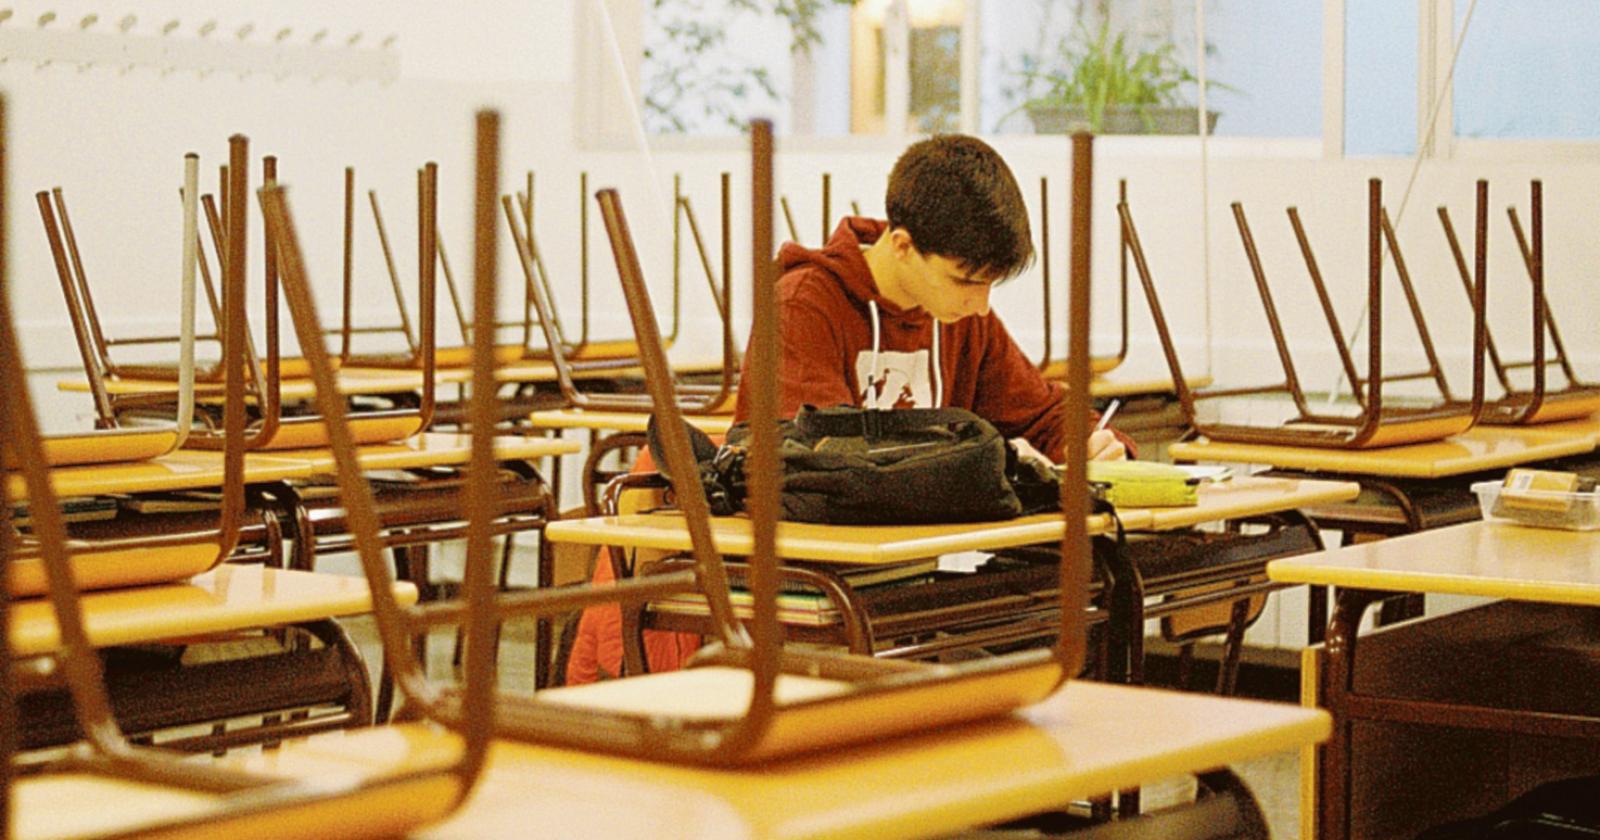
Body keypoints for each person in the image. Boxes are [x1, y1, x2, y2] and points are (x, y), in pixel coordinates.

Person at [734, 133, 1132, 462]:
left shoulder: (963, 317)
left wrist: (1092, 446)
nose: (980, 306)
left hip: (927, 548)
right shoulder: (801, 306)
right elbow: (817, 455)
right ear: (903, 246)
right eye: (964, 281)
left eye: (991, 285)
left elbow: (1043, 415)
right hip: (825, 551)